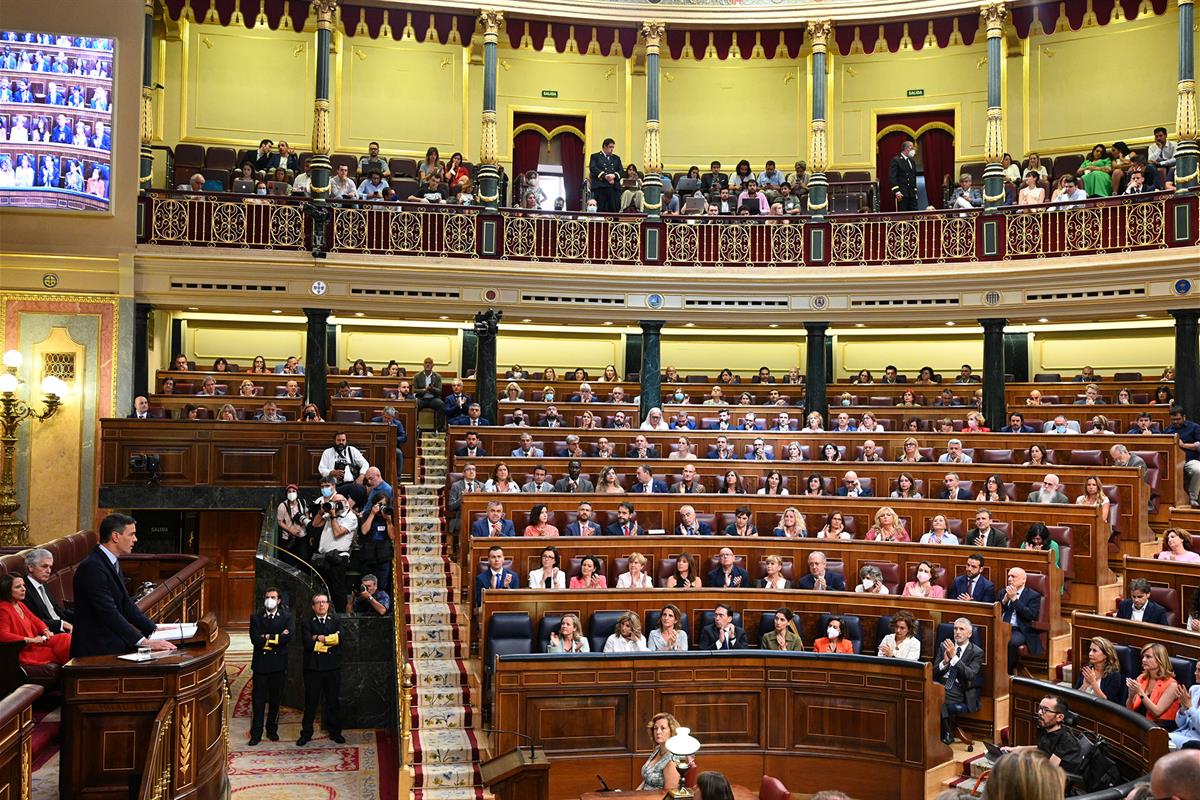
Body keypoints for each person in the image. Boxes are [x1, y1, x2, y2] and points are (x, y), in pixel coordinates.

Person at [70, 513, 176, 658]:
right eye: (131, 534)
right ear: (115, 536)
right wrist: (144, 642)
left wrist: (153, 629)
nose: (135, 539)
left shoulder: (112, 561)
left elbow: (125, 604)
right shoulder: (93, 567)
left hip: (112, 645)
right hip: (95, 652)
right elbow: (108, 612)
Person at [297, 592, 344, 746]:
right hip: (313, 669)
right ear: (313, 606)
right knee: (311, 702)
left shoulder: (336, 620)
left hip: (332, 668)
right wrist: (330, 640)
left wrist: (319, 638)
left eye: (324, 602)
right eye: (318, 602)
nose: (321, 605)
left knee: (332, 701)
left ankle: (335, 732)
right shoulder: (306, 622)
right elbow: (307, 644)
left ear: (328, 605)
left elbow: (340, 639)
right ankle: (306, 734)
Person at [247, 586, 291, 745]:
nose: (269, 600)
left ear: (279, 600)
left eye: (273, 597)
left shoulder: (286, 617)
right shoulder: (256, 617)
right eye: (267, 597)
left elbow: (287, 638)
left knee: (275, 700)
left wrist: (266, 636)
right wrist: (277, 637)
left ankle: (272, 730)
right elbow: (255, 640)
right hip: (260, 665)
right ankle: (256, 733)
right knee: (258, 701)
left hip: (278, 665)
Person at [0, 574, 72, 666]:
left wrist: (45, 630)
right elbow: (2, 635)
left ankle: (73, 671)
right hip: (24, 650)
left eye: (24, 585)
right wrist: (30, 640)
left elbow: (35, 620)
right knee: (58, 651)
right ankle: (73, 674)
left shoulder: (20, 604)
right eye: (18, 587)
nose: (23, 589)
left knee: (65, 637)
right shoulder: (3, 609)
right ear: (7, 591)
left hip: (36, 643)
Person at [936, 617, 984, 744]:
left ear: (969, 633)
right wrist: (945, 662)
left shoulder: (976, 652)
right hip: (941, 684)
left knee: (937, 695)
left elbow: (970, 675)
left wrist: (954, 658)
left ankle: (946, 732)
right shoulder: (943, 646)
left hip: (960, 688)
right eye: (955, 629)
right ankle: (946, 730)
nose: (957, 632)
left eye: (961, 629)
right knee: (935, 691)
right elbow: (934, 672)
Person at [312, 491, 356, 611]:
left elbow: (337, 533)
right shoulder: (332, 514)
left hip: (339, 557)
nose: (335, 505)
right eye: (333, 502)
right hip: (325, 556)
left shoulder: (351, 517)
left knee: (338, 588)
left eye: (338, 502)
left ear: (346, 503)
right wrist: (321, 512)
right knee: (325, 587)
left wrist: (333, 516)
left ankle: (340, 613)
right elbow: (315, 524)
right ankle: (328, 612)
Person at [1126, 642, 1181, 729]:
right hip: (1138, 722)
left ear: (1160, 660)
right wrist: (1131, 696)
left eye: (1148, 657)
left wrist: (1140, 692)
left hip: (1158, 727)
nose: (1143, 660)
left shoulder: (1172, 685)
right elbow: (1129, 710)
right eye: (1143, 656)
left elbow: (1157, 712)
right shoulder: (1141, 678)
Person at [1001, 567, 1043, 674]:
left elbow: (1030, 615)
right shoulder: (1003, 592)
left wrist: (1015, 600)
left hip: (1019, 630)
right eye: (1009, 576)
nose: (1009, 579)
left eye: (1013, 576)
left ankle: (1006, 673)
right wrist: (1004, 601)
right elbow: (995, 612)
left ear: (1023, 580)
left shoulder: (1033, 595)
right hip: (1001, 627)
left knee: (1011, 643)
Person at [22, 548, 72, 634]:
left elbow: (57, 609)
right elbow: (33, 620)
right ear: (30, 567)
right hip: (49, 633)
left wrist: (81, 616)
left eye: (50, 567)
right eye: (44, 566)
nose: (49, 571)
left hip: (62, 627)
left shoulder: (42, 583)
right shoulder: (24, 589)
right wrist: (61, 624)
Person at [1074, 636, 1128, 705]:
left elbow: (1107, 703)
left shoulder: (1114, 675)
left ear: (1106, 655)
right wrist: (1084, 686)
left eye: (1094, 651)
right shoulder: (1087, 669)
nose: (1090, 653)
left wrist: (1093, 683)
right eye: (1090, 650)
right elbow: (1075, 695)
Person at [639, 713, 687, 790]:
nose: (658, 732)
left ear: (672, 730)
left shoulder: (672, 760)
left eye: (663, 728)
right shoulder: (657, 749)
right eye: (655, 728)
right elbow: (646, 780)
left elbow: (668, 793)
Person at [1164, 406, 1200, 508]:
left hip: (1189, 460)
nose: (1175, 422)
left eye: (1177, 419)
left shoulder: (1194, 427)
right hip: (1171, 462)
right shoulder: (1167, 430)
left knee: (1198, 469)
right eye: (1173, 420)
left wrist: (1183, 445)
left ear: (1184, 417)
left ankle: (1193, 497)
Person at [1168, 660, 1200, 748]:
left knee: (1158, 741)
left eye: (1199, 670)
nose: (1195, 673)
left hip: (1195, 743)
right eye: (1196, 669)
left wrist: (1189, 707)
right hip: (1181, 735)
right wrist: (1182, 709)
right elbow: (1180, 724)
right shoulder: (1194, 689)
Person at [589, 137, 623, 212]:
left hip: (613, 188)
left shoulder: (616, 158)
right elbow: (593, 168)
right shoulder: (595, 156)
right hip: (600, 187)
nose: (612, 149)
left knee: (614, 210)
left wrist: (614, 176)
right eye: (610, 147)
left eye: (613, 147)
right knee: (601, 209)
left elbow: (621, 171)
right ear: (604, 146)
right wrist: (605, 176)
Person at [414, 357, 446, 431]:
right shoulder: (417, 376)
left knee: (441, 405)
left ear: (433, 365)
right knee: (414, 405)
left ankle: (439, 428)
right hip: (421, 398)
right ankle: (415, 427)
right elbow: (414, 390)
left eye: (430, 363)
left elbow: (440, 391)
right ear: (423, 365)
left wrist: (432, 389)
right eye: (426, 363)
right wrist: (424, 390)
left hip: (433, 399)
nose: (428, 364)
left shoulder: (437, 376)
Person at [889, 140, 918, 211]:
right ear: (906, 149)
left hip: (912, 193)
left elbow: (913, 177)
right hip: (902, 193)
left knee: (915, 214)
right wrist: (897, 191)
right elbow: (892, 177)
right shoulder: (896, 160)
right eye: (912, 148)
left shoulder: (912, 161)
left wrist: (915, 191)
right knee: (904, 215)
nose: (913, 151)